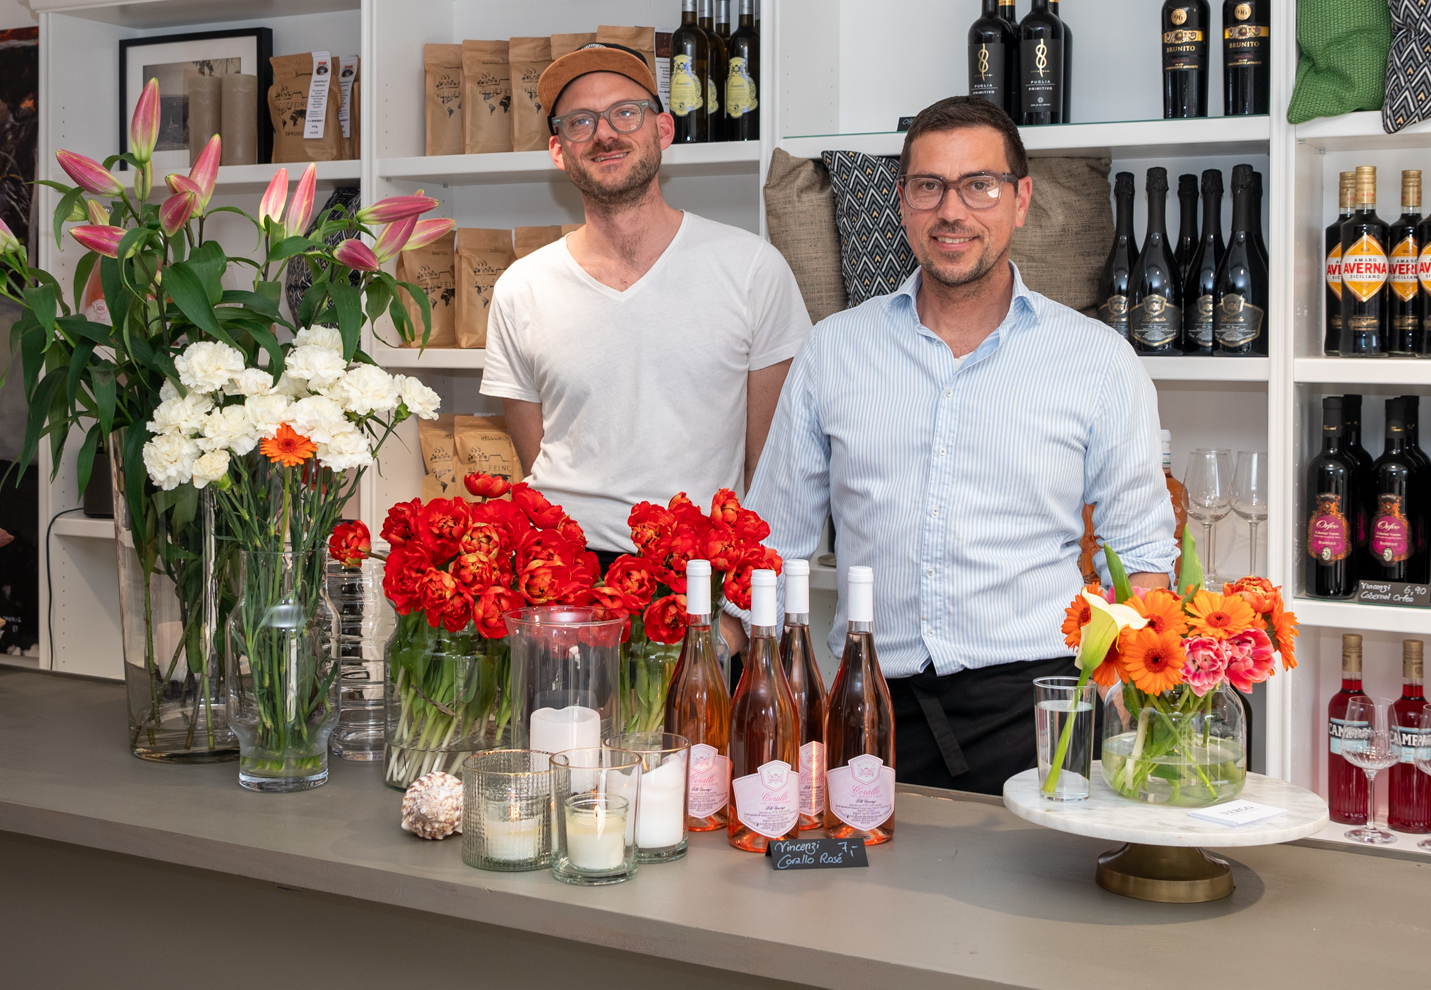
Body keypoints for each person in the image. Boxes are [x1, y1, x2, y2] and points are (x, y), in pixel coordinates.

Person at [744, 95, 1177, 794]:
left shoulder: (1099, 360)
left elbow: (1142, 557)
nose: (953, 211)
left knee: (1033, 903)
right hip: (869, 705)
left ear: (1020, 199)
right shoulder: (833, 352)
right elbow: (773, 545)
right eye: (929, 187)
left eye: (979, 185)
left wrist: (1138, 705)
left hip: (1039, 709)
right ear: (903, 202)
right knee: (862, 902)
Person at [483, 44, 810, 570]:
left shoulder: (751, 268)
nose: (604, 133)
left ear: (663, 130)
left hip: (697, 573)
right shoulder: (522, 286)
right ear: (558, 150)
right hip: (563, 578)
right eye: (580, 122)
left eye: (625, 113)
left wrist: (736, 618)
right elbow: (535, 456)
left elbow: (772, 469)